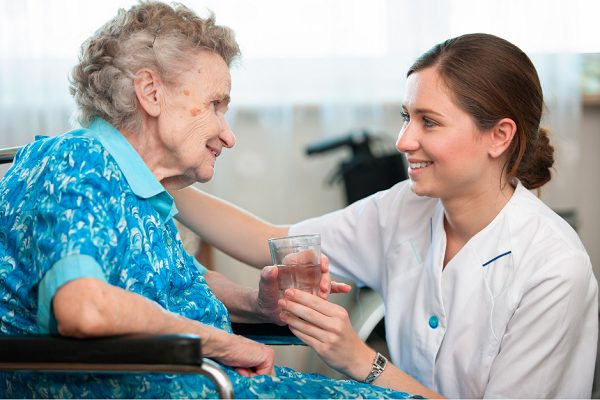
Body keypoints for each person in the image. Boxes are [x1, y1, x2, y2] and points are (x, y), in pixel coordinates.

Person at [0, 1, 421, 398]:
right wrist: (223, 343)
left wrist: (257, 304)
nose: (228, 135)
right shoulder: (77, 159)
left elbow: (185, 282)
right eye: (215, 105)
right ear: (150, 92)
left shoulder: (140, 191)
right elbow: (85, 308)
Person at [171, 33, 599, 398]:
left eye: (428, 122)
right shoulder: (406, 207)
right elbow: (267, 238)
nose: (403, 140)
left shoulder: (554, 270)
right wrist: (158, 174)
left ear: (499, 136)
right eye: (405, 117)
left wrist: (361, 361)